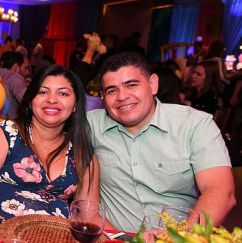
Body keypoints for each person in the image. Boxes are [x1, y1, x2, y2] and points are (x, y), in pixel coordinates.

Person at [88, 52, 235, 232]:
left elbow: (220, 190)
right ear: (103, 97)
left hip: (179, 238)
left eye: (131, 85)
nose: (122, 96)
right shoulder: (90, 125)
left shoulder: (194, 125)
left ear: (153, 84)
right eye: (112, 90)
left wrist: (181, 242)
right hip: (113, 240)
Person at [0, 65, 99, 228]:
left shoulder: (82, 154)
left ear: (75, 105)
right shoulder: (6, 134)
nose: (52, 99)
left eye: (63, 93)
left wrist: (125, 240)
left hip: (57, 242)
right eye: (43, 92)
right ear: (31, 99)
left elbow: (90, 215)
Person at [0, 51, 30, 118]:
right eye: (25, 68)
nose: (27, 72)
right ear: (15, 67)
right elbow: (24, 96)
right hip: (8, 121)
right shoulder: (14, 77)